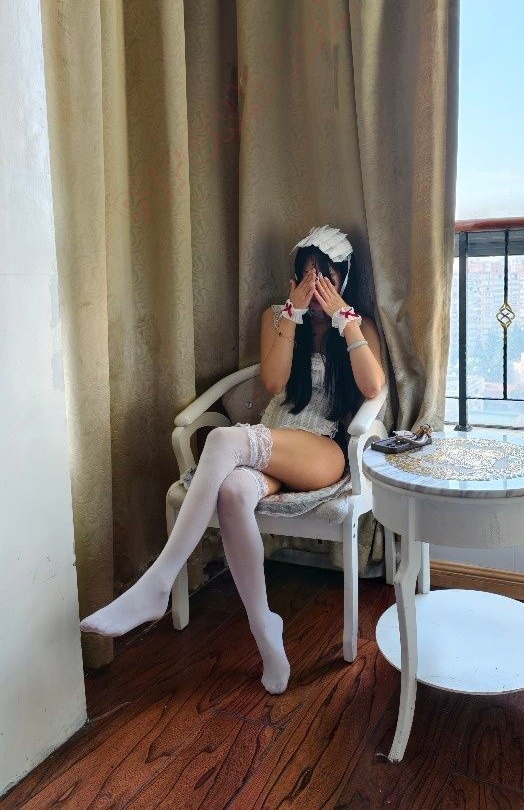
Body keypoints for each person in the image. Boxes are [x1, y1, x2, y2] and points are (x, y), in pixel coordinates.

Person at [79, 225, 385, 695]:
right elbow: (274, 382)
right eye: (305, 276)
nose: (313, 288)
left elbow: (373, 388)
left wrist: (345, 322)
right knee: (233, 491)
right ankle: (266, 633)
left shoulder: (358, 325)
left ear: (342, 279)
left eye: (323, 277)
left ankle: (158, 582)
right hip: (271, 439)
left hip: (321, 450)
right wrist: (293, 315)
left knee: (222, 439)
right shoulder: (276, 317)